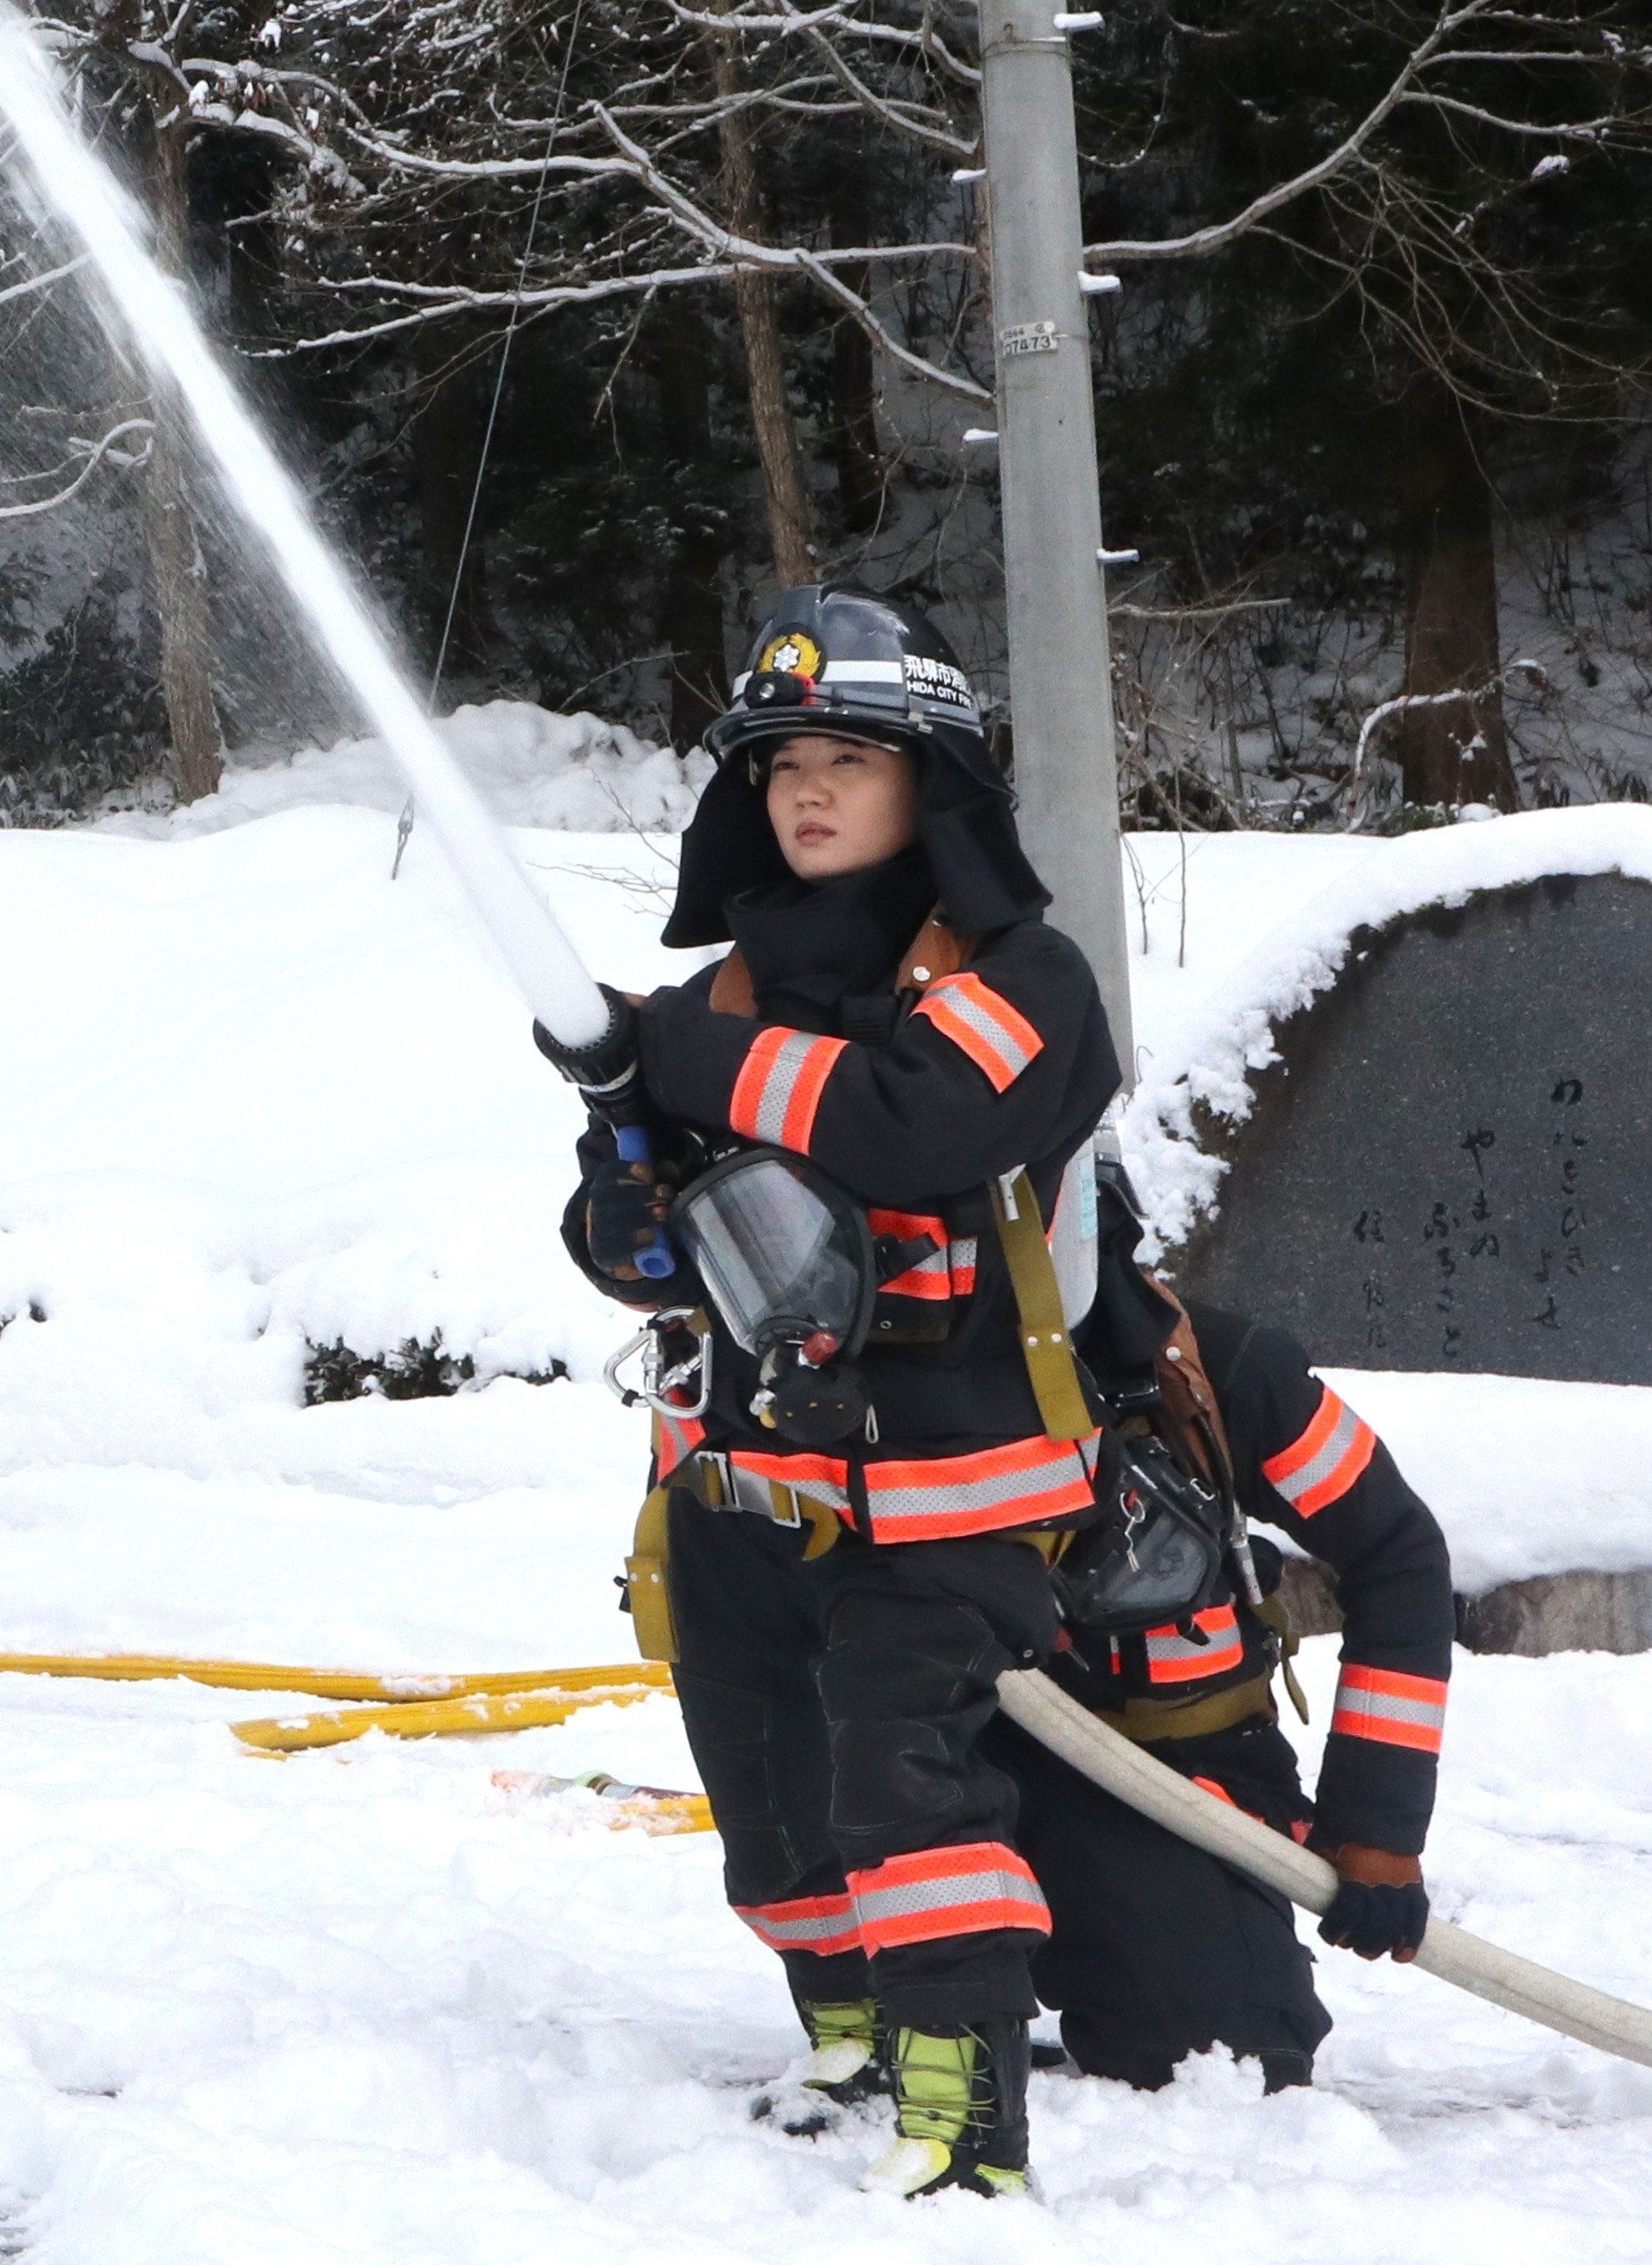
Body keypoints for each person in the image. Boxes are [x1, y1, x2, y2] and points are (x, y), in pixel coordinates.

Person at [541, 586, 1117, 2199]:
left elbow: (906, 1124)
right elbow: (653, 1249)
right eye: (781, 762)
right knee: (769, 1803)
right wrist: (620, 1216)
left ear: (928, 785)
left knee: (905, 1795)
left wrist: (658, 1056)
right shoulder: (719, 1000)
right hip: (737, 1487)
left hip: (942, 1500)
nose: (805, 789)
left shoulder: (1024, 978)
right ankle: (844, 2029)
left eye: (848, 760)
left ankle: (965, 2119)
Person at [1005, 1276, 1454, 2088]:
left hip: (1157, 1777)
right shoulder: (823, 1365)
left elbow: (1395, 1550)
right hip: (917, 1761)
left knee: (1217, 2063)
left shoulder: (1201, 1367)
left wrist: (1376, 1822)